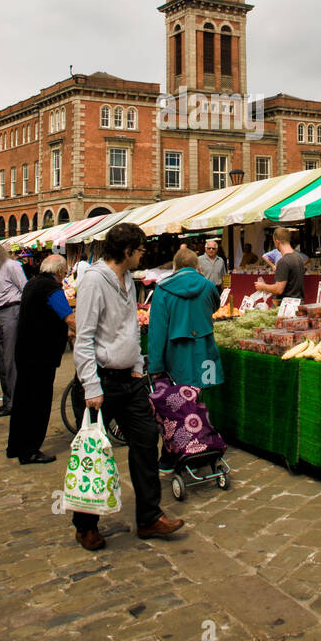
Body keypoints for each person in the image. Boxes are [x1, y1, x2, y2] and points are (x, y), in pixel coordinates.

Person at [71, 222, 184, 551]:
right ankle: (85, 525)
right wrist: (91, 385)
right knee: (93, 454)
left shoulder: (127, 281)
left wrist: (137, 365)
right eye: (140, 249)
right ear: (126, 251)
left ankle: (149, 517)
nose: (143, 254)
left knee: (147, 440)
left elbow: (131, 325)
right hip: (101, 382)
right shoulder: (94, 279)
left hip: (130, 380)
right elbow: (85, 335)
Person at [147, 247, 222, 471]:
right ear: (196, 266)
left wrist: (156, 365)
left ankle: (174, 454)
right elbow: (215, 306)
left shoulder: (163, 289)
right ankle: (204, 445)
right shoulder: (207, 285)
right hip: (205, 351)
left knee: (175, 406)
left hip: (176, 354)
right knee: (201, 398)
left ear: (175, 266)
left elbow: (157, 331)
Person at [7, 253, 74, 465]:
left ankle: (16, 446)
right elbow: (68, 317)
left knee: (22, 400)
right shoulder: (51, 288)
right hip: (41, 355)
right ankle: (31, 449)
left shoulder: (32, 283)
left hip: (25, 351)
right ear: (60, 271)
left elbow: (42, 315)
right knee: (39, 402)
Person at [0, 240, 27, 417]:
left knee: (9, 358)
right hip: (0, 312)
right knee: (2, 357)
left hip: (12, 311)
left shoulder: (12, 266)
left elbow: (25, 288)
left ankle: (14, 402)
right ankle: (7, 399)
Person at [254, 227, 307, 303]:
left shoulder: (283, 261)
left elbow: (278, 289)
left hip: (286, 307)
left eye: (274, 242)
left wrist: (263, 286)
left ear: (277, 241)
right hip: (299, 303)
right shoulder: (299, 257)